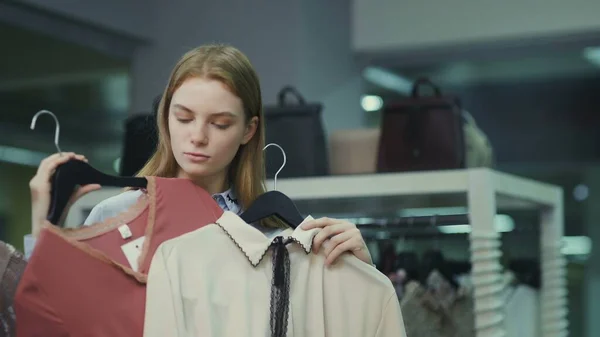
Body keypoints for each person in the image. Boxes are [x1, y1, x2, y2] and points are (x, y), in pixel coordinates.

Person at [26, 44, 372, 267]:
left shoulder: (278, 236)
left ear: (248, 131)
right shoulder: (115, 215)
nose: (198, 137)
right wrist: (42, 229)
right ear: (165, 117)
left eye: (220, 124)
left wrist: (361, 271)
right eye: (184, 117)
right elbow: (55, 316)